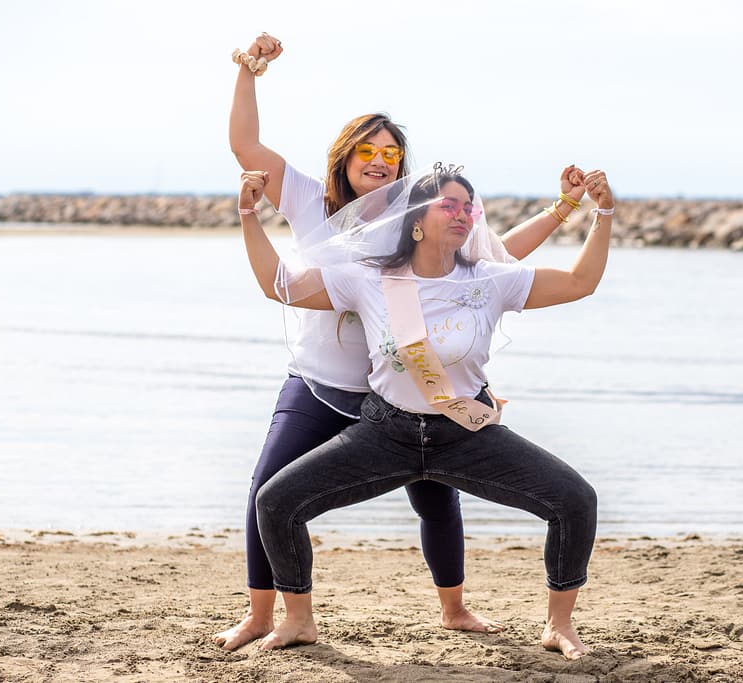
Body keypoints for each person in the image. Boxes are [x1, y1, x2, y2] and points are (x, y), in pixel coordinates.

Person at [214, 33, 591, 651]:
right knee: (268, 490)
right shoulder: (310, 200)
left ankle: (454, 609)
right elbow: (245, 147)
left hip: (401, 392)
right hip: (320, 382)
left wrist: (563, 207)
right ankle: (262, 614)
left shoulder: (415, 208)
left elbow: (491, 261)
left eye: (392, 152)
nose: (381, 160)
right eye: (367, 150)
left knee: (436, 498)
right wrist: (248, 71)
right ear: (345, 156)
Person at [236, 163, 614, 659]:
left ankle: (558, 625)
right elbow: (278, 284)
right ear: (416, 220)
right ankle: (299, 619)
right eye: (449, 205)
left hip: (465, 434)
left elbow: (579, 282)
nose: (462, 215)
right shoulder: (369, 279)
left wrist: (603, 212)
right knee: (275, 501)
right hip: (384, 435)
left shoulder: (491, 280)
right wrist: (249, 212)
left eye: (468, 207)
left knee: (575, 500)